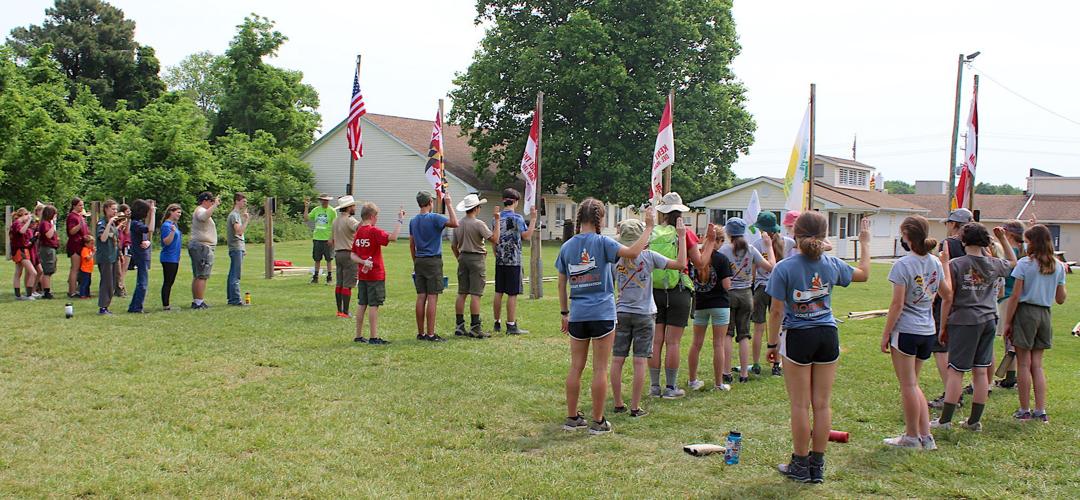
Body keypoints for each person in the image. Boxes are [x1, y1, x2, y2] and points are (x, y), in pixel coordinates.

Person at [767, 212, 871, 483]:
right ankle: (817, 467)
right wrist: (865, 243)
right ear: (825, 236)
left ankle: (800, 465)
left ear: (795, 234)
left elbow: (776, 311)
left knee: (800, 405)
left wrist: (771, 344)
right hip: (827, 335)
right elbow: (863, 274)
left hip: (798, 336)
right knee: (822, 405)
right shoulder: (832, 263)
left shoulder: (784, 268)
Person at [557, 200, 654, 435]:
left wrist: (564, 313)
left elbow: (561, 284)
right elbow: (633, 253)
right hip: (602, 314)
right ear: (600, 218)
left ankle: (572, 418)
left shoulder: (567, 246)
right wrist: (649, 227)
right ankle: (598, 422)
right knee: (600, 369)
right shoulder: (603, 242)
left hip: (578, 314)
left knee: (576, 367)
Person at [933, 223, 1017, 432]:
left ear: (963, 240)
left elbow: (948, 297)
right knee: (980, 371)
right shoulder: (993, 263)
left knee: (956, 370)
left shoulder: (955, 264)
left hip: (964, 320)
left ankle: (945, 421)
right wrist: (1003, 239)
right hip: (989, 319)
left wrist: (943, 326)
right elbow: (1013, 262)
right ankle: (974, 421)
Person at [880, 215, 951, 450]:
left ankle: (911, 437)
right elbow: (947, 294)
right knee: (913, 384)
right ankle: (926, 437)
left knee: (908, 385)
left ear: (906, 236)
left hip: (907, 331)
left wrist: (886, 334)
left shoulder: (903, 265)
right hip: (927, 330)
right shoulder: (935, 263)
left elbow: (897, 304)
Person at [611, 217, 687, 417]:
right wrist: (681, 237)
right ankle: (635, 407)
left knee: (617, 360)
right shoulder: (649, 257)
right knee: (639, 362)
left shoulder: (615, 259)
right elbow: (681, 264)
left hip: (621, 313)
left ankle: (618, 403)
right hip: (644, 314)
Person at [1003, 224, 1067, 423]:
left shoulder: (1025, 264)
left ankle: (1024, 409)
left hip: (1026, 312)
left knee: (1023, 363)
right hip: (1045, 314)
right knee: (1037, 365)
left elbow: (1015, 296)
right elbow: (1061, 299)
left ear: (1033, 242)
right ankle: (1040, 410)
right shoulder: (1058, 266)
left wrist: (1008, 322)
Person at [648, 192, 701, 399]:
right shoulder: (685, 234)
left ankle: (654, 387)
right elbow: (699, 262)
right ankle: (671, 387)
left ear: (663, 213)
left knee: (656, 341)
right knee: (673, 342)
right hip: (679, 290)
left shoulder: (653, 233)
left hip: (655, 290)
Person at [720, 217, 775, 383]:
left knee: (728, 334)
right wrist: (769, 247)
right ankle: (744, 374)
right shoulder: (751, 249)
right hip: (746, 295)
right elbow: (771, 267)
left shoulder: (724, 250)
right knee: (744, 336)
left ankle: (726, 372)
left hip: (729, 294)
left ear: (728, 233)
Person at [928, 208, 972, 409]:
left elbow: (940, 273)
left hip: (948, 299)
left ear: (954, 224)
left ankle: (952, 394)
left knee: (940, 347)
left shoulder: (948, 244)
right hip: (970, 300)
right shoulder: (977, 244)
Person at [350, 202, 406, 344]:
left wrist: (362, 262)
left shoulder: (358, 232)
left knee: (362, 303)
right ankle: (373, 337)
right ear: (372, 216)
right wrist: (400, 220)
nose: (377, 219)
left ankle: (358, 335)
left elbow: (352, 255)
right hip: (375, 275)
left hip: (363, 275)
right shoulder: (373, 231)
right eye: (377, 216)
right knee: (374, 305)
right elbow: (393, 237)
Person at [686, 223, 733, 391]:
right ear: (718, 241)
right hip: (720, 304)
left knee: (696, 343)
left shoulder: (696, 258)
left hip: (700, 304)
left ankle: (692, 380)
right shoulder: (722, 259)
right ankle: (718, 383)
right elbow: (727, 285)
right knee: (718, 344)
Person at [410, 191, 459, 342]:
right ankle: (431, 334)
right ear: (430, 202)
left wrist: (415, 261)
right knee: (432, 296)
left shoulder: (413, 221)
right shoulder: (435, 218)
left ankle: (421, 333)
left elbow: (412, 245)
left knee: (421, 296)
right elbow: (455, 223)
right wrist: (449, 204)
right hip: (433, 260)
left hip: (419, 260)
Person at [751, 212, 795, 376]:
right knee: (778, 329)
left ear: (762, 229)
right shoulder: (787, 242)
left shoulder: (756, 244)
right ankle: (777, 364)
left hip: (761, 288)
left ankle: (756, 364)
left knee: (758, 329)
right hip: (780, 289)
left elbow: (753, 271)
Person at [452, 194, 500, 338]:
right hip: (476, 259)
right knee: (475, 294)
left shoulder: (458, 224)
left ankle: (459, 326)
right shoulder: (479, 224)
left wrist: (459, 258)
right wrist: (497, 221)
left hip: (463, 257)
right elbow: (495, 239)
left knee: (462, 293)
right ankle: (475, 327)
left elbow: (454, 246)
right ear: (476, 208)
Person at [492, 188, 538, 335]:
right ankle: (511, 325)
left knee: (499, 291)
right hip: (514, 260)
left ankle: (497, 322)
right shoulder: (517, 218)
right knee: (512, 293)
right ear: (516, 202)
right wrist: (533, 219)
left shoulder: (496, 218)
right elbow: (527, 235)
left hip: (500, 259)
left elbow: (494, 239)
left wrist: (496, 253)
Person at [993, 220, 1025, 388]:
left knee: (1008, 339)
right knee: (1012, 340)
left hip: (1007, 297)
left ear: (1009, 234)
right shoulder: (1025, 250)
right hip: (1021, 298)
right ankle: (1011, 376)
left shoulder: (1008, 251)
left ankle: (1011, 377)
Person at [189, 191, 220, 310]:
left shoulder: (201, 210)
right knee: (202, 275)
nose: (212, 203)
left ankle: (197, 300)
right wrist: (215, 205)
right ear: (205, 201)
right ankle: (198, 302)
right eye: (211, 201)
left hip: (201, 246)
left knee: (198, 275)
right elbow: (203, 217)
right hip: (202, 247)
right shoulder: (200, 210)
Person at [332, 195, 361, 318]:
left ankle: (339, 310)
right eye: (353, 206)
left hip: (338, 253)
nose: (355, 208)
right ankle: (345, 312)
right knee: (348, 284)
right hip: (349, 254)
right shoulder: (350, 220)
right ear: (349, 207)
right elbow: (359, 227)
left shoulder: (335, 220)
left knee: (339, 283)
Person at [126, 199, 156, 313]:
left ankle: (134, 306)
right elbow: (150, 229)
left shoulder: (137, 222)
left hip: (142, 254)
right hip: (140, 255)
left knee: (142, 282)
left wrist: (147, 242)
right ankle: (137, 307)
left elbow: (144, 236)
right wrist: (153, 213)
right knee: (142, 283)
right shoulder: (135, 223)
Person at [304, 194, 337, 284]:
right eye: (323, 200)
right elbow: (306, 219)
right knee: (317, 259)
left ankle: (329, 277)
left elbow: (335, 226)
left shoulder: (332, 211)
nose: (324, 201)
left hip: (327, 238)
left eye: (326, 200)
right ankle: (315, 277)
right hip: (317, 238)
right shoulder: (316, 210)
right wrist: (306, 207)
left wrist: (332, 238)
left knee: (329, 259)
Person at [96, 200, 121, 315]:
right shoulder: (102, 223)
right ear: (106, 209)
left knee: (112, 282)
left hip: (113, 256)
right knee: (106, 283)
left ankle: (106, 306)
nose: (115, 211)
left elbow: (114, 238)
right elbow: (103, 238)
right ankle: (103, 307)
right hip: (105, 257)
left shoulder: (113, 223)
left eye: (116, 209)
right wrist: (109, 223)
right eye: (113, 209)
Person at [9, 208, 39, 300]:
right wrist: (29, 220)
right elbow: (21, 231)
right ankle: (29, 295)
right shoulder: (17, 223)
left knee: (18, 273)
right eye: (27, 215)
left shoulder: (18, 223)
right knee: (33, 272)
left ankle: (18, 295)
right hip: (20, 250)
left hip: (19, 250)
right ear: (23, 215)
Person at [225, 193, 250, 307]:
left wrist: (243, 248)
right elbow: (239, 231)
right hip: (236, 247)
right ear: (237, 201)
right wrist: (246, 220)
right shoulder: (234, 215)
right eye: (243, 201)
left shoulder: (236, 215)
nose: (245, 204)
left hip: (237, 247)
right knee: (236, 274)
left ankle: (231, 298)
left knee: (233, 273)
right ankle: (235, 299)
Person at [159, 204, 183, 311]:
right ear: (171, 212)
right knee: (168, 282)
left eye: (180, 212)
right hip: (168, 257)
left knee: (170, 281)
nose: (179, 214)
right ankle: (166, 305)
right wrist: (172, 232)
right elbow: (166, 241)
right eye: (178, 212)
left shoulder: (174, 225)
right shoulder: (166, 226)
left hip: (174, 257)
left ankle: (167, 304)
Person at [66, 198, 91, 297]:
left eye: (83, 205)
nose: (82, 207)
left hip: (82, 245)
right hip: (75, 245)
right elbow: (71, 231)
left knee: (80, 269)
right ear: (74, 206)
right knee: (75, 268)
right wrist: (80, 224)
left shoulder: (80, 216)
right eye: (80, 205)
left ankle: (77, 289)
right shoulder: (72, 217)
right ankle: (72, 291)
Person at [38, 204, 60, 300]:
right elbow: (48, 235)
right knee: (47, 270)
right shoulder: (45, 223)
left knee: (50, 270)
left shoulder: (47, 223)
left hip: (51, 248)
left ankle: (46, 289)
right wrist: (53, 224)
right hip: (47, 249)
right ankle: (46, 291)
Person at [115, 203, 131, 298]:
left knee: (123, 269)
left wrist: (128, 220)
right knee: (121, 269)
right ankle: (120, 287)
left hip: (125, 245)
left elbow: (127, 231)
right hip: (122, 246)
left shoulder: (124, 225)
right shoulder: (117, 226)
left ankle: (121, 286)